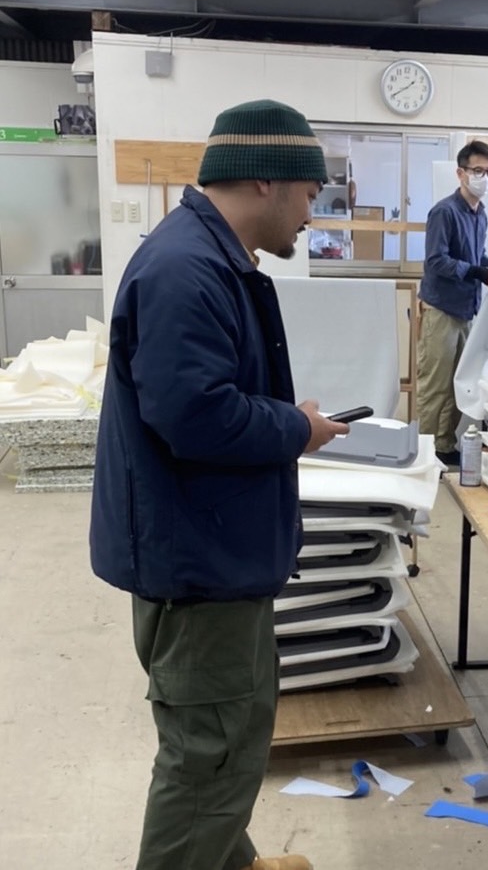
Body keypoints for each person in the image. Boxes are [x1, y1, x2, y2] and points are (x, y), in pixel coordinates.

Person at [90, 99, 349, 870]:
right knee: (209, 758)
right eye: (310, 193)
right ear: (266, 179)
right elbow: (195, 417)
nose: (311, 213)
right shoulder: (187, 269)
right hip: (198, 563)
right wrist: (295, 427)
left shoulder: (208, 256)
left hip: (211, 549)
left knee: (227, 737)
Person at [416, 140, 488, 466]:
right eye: (478, 171)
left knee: (459, 383)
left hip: (466, 310)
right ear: (460, 173)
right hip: (441, 310)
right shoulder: (444, 212)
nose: (485, 178)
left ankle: (444, 446)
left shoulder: (480, 214)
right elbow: (436, 261)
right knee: (435, 386)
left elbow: (477, 257)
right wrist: (478, 272)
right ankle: (424, 453)